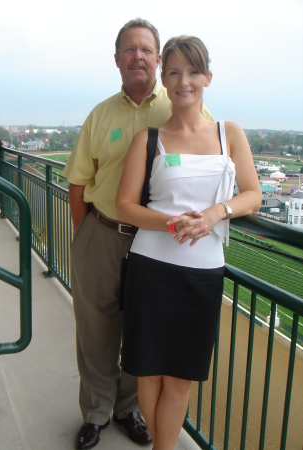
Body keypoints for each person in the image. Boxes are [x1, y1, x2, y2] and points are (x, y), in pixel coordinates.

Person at [62, 19, 213, 450]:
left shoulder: (182, 105)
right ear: (117, 59)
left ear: (159, 58)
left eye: (146, 49)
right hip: (104, 232)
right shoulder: (101, 114)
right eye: (129, 49)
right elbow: (77, 183)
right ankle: (95, 412)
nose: (138, 56)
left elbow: (213, 154)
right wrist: (87, 235)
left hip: (158, 243)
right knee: (95, 330)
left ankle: (127, 408)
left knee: (140, 330)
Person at [115, 35, 262, 450]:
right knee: (149, 372)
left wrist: (216, 213)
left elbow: (253, 194)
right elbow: (124, 206)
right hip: (150, 269)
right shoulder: (149, 138)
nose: (184, 81)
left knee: (181, 377)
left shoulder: (228, 133)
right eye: (175, 72)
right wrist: (172, 223)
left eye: (193, 72)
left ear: (208, 78)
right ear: (164, 78)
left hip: (201, 276)